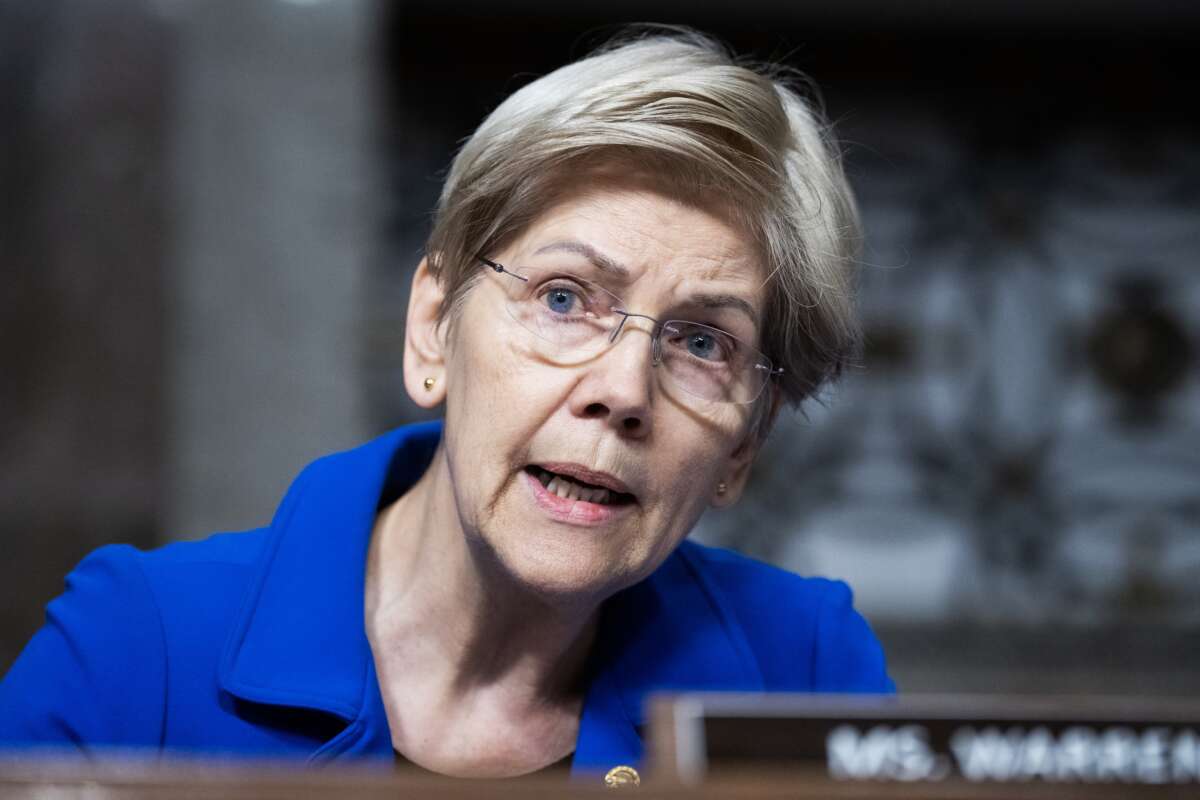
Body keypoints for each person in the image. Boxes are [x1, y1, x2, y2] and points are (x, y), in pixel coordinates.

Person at [0, 28, 892, 781]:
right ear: (433, 328)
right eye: (564, 298)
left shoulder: (802, 672)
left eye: (703, 344)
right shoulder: (136, 653)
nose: (622, 392)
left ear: (745, 445)